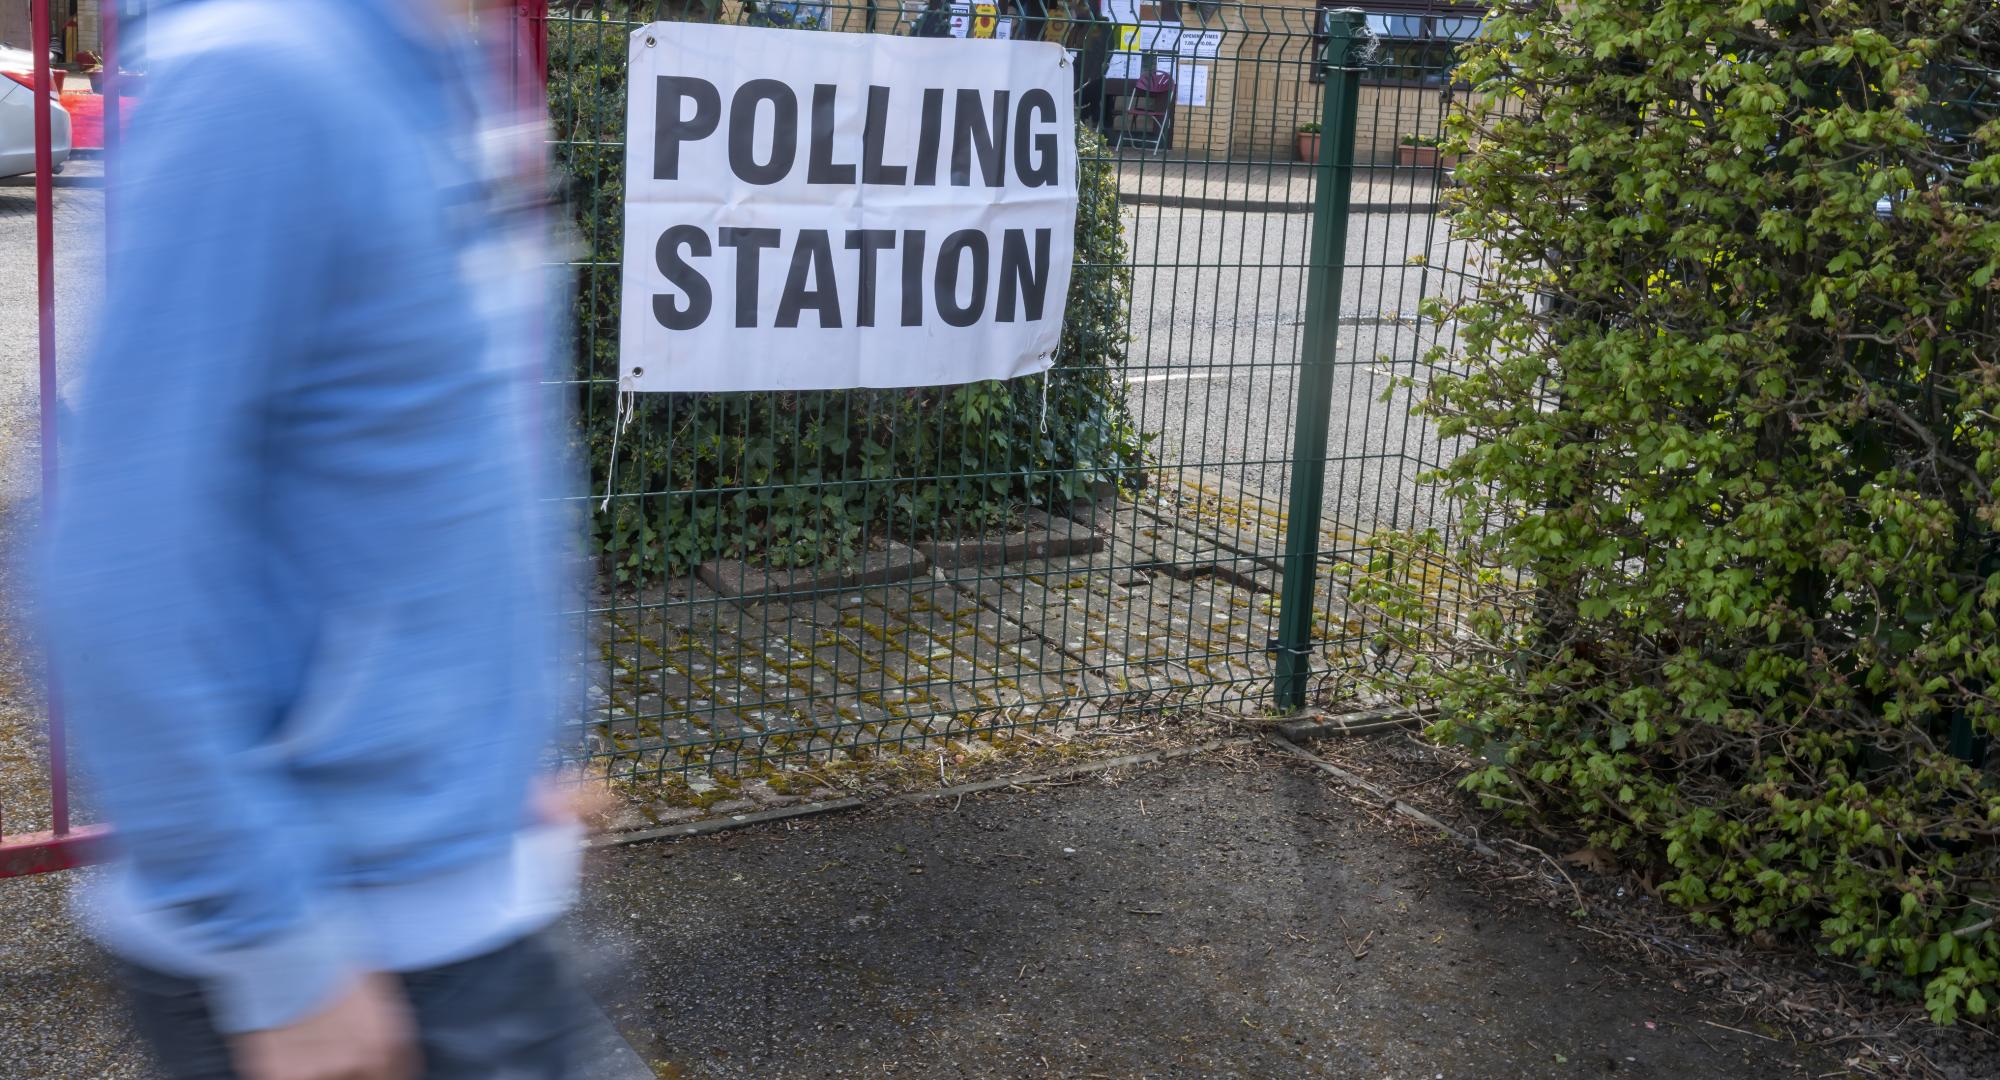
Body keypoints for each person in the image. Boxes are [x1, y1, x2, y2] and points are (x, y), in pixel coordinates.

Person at [41, 1, 587, 1077]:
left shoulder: (445, 66)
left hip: (461, 903)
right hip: (331, 968)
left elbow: (427, 467)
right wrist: (279, 957)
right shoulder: (262, 79)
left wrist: (496, 747)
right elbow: (113, 567)